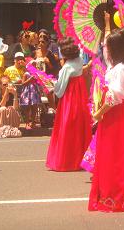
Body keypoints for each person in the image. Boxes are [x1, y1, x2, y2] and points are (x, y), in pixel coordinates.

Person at [88, 28, 124, 212]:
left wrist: (99, 112)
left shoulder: (120, 69)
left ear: (115, 49)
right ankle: (111, 192)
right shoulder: (119, 67)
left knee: (115, 154)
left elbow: (116, 96)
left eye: (108, 46)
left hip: (115, 115)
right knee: (112, 153)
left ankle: (116, 194)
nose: (105, 49)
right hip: (115, 114)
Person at [46, 37, 92, 172]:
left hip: (70, 98)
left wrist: (51, 84)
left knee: (67, 126)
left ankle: (67, 160)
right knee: (79, 125)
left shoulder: (66, 68)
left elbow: (60, 89)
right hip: (80, 95)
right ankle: (81, 159)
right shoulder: (78, 61)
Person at [35, 33, 60, 111]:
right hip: (36, 78)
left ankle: (53, 112)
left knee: (49, 94)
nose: (41, 43)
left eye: (43, 42)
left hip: (47, 78)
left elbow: (55, 69)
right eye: (39, 42)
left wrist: (48, 62)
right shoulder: (35, 52)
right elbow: (30, 66)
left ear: (47, 43)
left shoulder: (50, 54)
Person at [20, 61, 42, 130]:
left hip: (35, 91)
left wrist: (37, 80)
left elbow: (39, 83)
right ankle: (27, 123)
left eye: (35, 66)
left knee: (34, 107)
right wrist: (30, 79)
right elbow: (23, 84)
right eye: (32, 65)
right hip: (28, 92)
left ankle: (33, 123)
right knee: (27, 108)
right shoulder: (26, 74)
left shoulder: (36, 74)